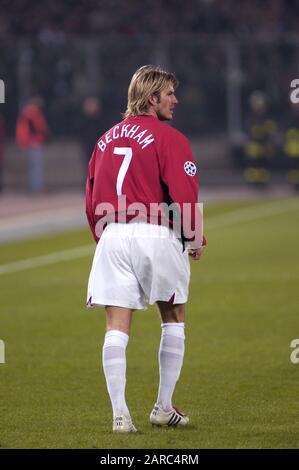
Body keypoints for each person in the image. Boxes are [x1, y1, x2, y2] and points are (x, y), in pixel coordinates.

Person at [85, 65, 206, 433]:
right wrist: (194, 236)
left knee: (116, 327)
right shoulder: (170, 138)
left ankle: (120, 415)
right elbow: (184, 193)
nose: (175, 100)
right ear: (152, 98)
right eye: (169, 93)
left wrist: (104, 238)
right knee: (173, 316)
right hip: (156, 232)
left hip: (113, 235)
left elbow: (91, 198)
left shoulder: (105, 138)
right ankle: (163, 407)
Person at [16, 95, 49, 193]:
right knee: (35, 167)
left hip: (32, 142)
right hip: (34, 142)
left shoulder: (27, 112)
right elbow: (38, 127)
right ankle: (36, 188)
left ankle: (35, 187)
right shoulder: (32, 113)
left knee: (33, 167)